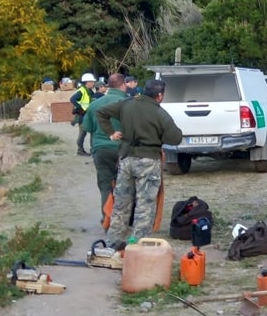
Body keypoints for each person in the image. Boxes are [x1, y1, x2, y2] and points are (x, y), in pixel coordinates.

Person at [97, 79, 183, 244]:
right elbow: (176, 138)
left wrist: (111, 133)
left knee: (121, 204)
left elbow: (101, 112)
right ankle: (137, 245)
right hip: (148, 161)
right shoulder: (159, 113)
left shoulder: (127, 104)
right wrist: (159, 136)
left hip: (126, 159)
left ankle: (112, 243)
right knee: (144, 207)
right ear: (159, 95)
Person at [82, 73, 129, 223]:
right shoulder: (129, 104)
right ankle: (124, 220)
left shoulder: (95, 105)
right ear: (123, 85)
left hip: (101, 150)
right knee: (126, 186)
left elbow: (88, 128)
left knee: (105, 186)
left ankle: (107, 219)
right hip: (124, 150)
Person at [70, 73, 98, 155]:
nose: (93, 83)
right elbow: (72, 99)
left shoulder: (89, 91)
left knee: (89, 132)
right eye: (92, 82)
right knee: (83, 133)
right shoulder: (82, 91)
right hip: (82, 115)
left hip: (87, 114)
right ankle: (80, 150)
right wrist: (81, 108)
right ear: (87, 82)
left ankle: (91, 150)